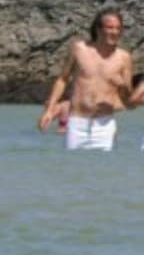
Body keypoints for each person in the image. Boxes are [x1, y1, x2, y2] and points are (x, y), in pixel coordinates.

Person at [38, 9, 136, 152]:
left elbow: (128, 99)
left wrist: (122, 85)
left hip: (104, 124)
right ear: (98, 29)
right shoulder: (79, 49)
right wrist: (49, 110)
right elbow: (62, 79)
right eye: (110, 27)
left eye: (118, 28)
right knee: (74, 169)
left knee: (105, 170)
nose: (114, 32)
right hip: (77, 122)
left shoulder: (124, 58)